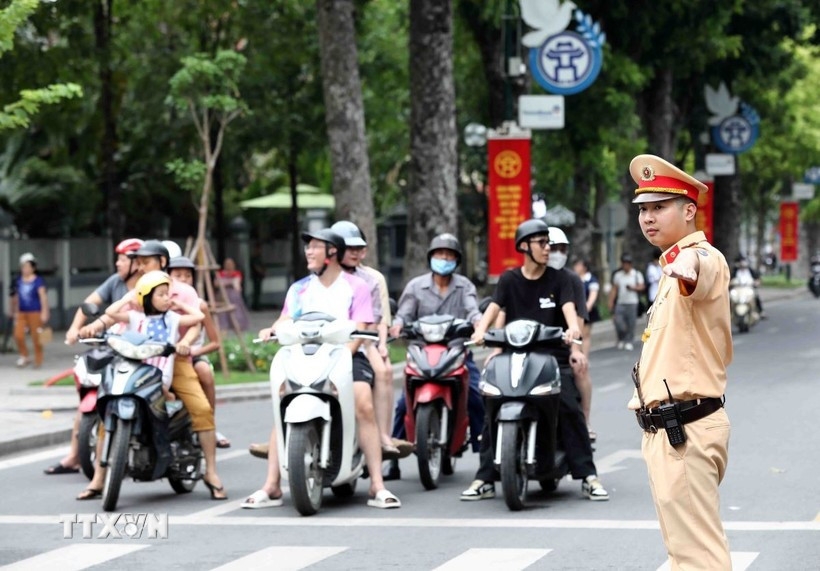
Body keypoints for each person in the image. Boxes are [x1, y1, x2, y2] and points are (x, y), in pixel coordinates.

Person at [242, 228, 400, 509]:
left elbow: (362, 328)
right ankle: (272, 485)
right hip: (305, 355)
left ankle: (377, 484)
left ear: (331, 253)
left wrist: (343, 356)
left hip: (348, 356)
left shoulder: (357, 287)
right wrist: (271, 329)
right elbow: (285, 318)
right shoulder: (300, 288)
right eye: (308, 247)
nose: (308, 252)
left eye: (315, 247)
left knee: (363, 401)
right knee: (284, 401)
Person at [629, 154, 732, 569]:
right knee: (682, 554)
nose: (648, 218)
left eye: (659, 207)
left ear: (689, 211)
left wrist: (686, 262)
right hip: (669, 431)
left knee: (698, 558)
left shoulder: (701, 258)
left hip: (685, 429)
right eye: (643, 209)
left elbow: (700, 265)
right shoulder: (669, 266)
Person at [462, 219, 608, 502]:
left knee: (567, 403)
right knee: (495, 400)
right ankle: (484, 477)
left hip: (551, 355)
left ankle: (588, 475)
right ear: (524, 247)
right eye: (542, 243)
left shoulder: (561, 279)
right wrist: (481, 332)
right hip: (515, 353)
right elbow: (495, 307)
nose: (548, 249)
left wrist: (573, 330)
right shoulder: (508, 279)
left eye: (549, 243)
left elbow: (569, 308)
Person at [77, 240, 227, 501]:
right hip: (132, 356)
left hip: (172, 359)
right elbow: (115, 315)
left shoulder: (183, 292)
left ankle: (211, 472)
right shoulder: (137, 290)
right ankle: (99, 478)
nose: (140, 266)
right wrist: (95, 326)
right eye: (138, 262)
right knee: (109, 404)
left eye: (145, 262)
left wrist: (184, 344)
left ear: (162, 262)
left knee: (201, 409)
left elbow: (196, 325)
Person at [383, 233, 484, 481]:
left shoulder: (465, 287)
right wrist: (396, 326)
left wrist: (480, 325)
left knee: (477, 396)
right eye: (440, 254)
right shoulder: (416, 286)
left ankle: (486, 455)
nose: (444, 259)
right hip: (421, 353)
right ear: (431, 257)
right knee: (401, 405)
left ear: (456, 260)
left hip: (456, 352)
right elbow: (403, 314)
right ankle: (393, 458)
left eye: (449, 255)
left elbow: (473, 310)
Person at [45, 238, 143, 475]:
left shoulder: (149, 286)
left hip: (142, 353)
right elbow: (90, 304)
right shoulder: (115, 282)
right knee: (90, 392)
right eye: (118, 258)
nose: (117, 263)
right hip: (113, 348)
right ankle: (75, 455)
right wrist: (75, 329)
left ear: (138, 263)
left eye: (122, 259)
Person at [330, 220, 407, 460]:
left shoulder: (371, 279)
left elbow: (381, 316)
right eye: (348, 248)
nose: (354, 253)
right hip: (327, 339)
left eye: (358, 248)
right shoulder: (322, 277)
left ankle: (383, 435)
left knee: (383, 371)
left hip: (364, 338)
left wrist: (381, 344)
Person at [104, 271, 204, 404]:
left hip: (163, 367)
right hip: (138, 366)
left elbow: (199, 317)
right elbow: (110, 312)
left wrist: (180, 305)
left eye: (167, 294)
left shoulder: (171, 318)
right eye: (161, 295)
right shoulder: (135, 317)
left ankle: (169, 398)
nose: (166, 298)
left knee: (159, 388)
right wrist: (128, 298)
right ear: (146, 297)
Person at [167, 255, 230, 448]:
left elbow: (215, 343)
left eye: (188, 275)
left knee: (204, 372)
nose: (184, 280)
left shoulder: (199, 305)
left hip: (191, 354)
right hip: (164, 355)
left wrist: (192, 352)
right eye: (178, 275)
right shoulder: (160, 301)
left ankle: (209, 423)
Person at [548, 227, 594, 440]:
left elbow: (580, 316)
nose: (557, 253)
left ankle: (584, 420)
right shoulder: (529, 277)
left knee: (580, 368)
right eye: (553, 248)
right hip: (535, 342)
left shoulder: (572, 280)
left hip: (565, 341)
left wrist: (575, 348)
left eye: (562, 249)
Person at [11, 253, 50, 369]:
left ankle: (38, 359)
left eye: (28, 266)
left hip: (35, 312)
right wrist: (15, 312)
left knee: (36, 337)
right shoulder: (19, 281)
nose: (25, 269)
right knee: (18, 335)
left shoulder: (38, 281)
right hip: (22, 312)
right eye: (23, 266)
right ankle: (24, 356)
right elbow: (16, 297)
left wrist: (45, 312)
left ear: (33, 268)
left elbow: (43, 297)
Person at [608, 253, 645, 350]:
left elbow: (642, 286)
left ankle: (629, 341)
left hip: (632, 302)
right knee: (618, 322)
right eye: (624, 263)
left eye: (628, 263)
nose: (626, 265)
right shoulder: (618, 275)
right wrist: (611, 302)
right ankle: (621, 338)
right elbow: (614, 289)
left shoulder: (636, 274)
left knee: (631, 323)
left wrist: (633, 288)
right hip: (621, 302)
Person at [572, 258, 601, 358]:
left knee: (585, 334)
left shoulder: (591, 279)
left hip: (587, 310)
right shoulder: (574, 279)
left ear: (584, 267)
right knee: (577, 333)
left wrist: (587, 307)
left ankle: (584, 355)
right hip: (574, 310)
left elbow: (593, 295)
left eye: (578, 265)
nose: (576, 267)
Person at [216, 257, 250, 331]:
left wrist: (225, 283)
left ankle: (237, 327)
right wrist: (230, 282)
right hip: (222, 297)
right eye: (227, 264)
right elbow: (216, 283)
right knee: (222, 314)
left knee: (236, 313)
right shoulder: (220, 273)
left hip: (234, 297)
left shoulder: (236, 273)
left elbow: (237, 286)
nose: (229, 265)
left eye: (230, 264)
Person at [250, 242, 266, 310]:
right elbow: (256, 267)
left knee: (258, 292)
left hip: (259, 277)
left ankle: (257, 305)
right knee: (256, 292)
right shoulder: (254, 258)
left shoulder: (259, 257)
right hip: (256, 277)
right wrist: (261, 272)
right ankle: (255, 306)